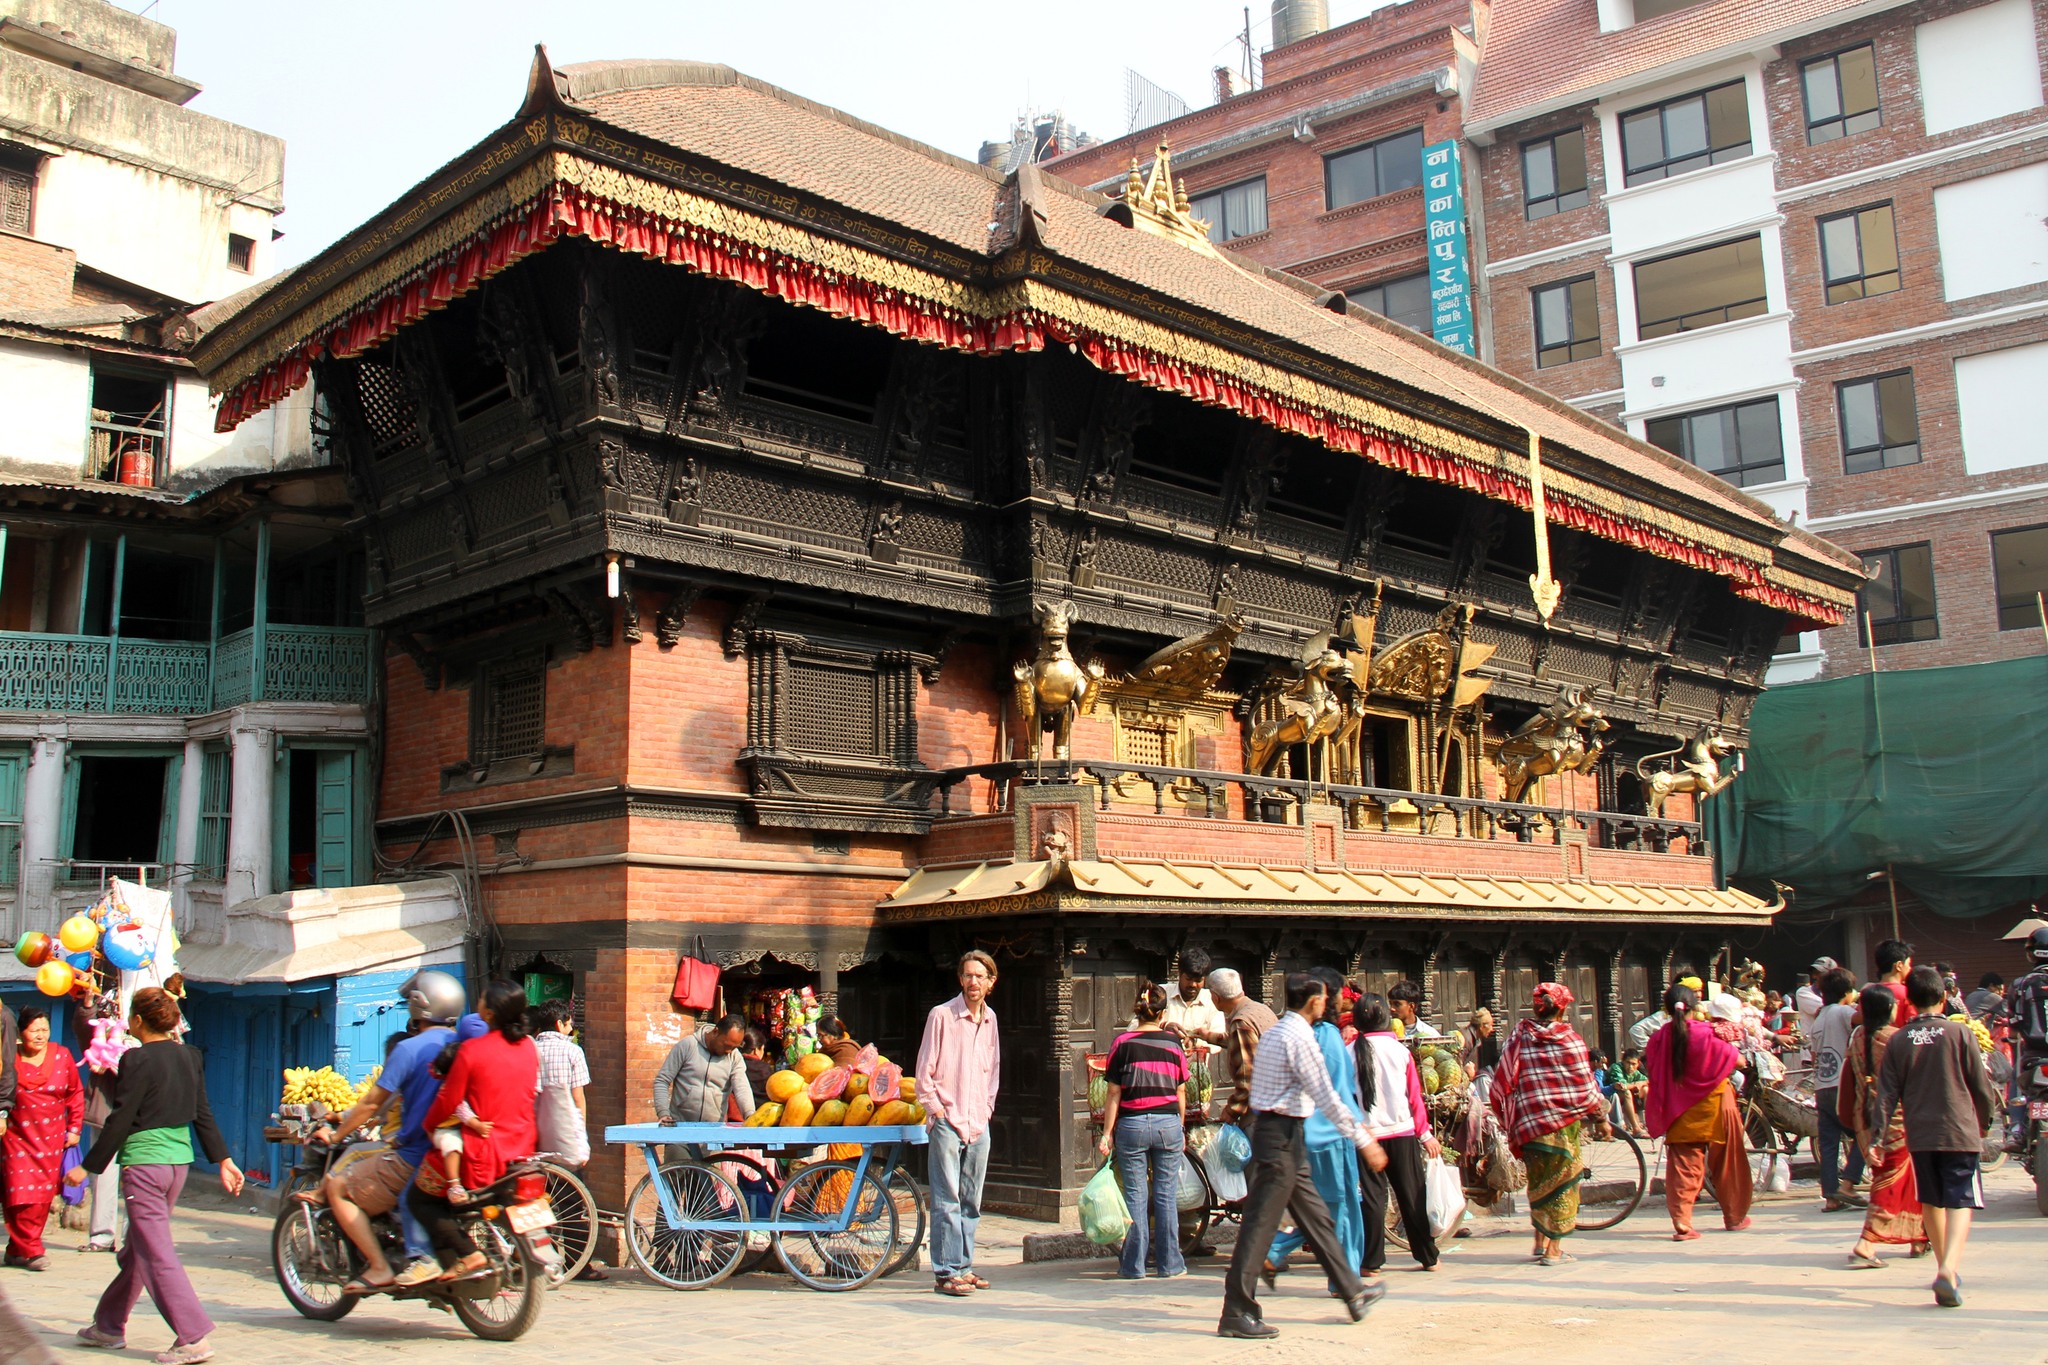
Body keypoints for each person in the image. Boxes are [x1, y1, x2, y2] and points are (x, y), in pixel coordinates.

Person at [68, 987, 241, 1365]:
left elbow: (121, 1119)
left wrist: (88, 1166)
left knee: (157, 1252)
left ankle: (192, 1336)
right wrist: (224, 1160)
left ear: (138, 1021)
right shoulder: (190, 1056)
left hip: (145, 1167)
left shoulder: (136, 1060)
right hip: (177, 1165)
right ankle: (109, 1326)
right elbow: (203, 1113)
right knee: (138, 1250)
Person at [1218, 973, 1386, 1341]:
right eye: (1324, 998)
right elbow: (1326, 1095)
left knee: (1319, 1218)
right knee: (1260, 1225)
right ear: (1313, 1001)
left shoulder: (1278, 1032)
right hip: (1281, 1136)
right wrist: (1364, 1140)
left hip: (1283, 1134)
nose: (1328, 1004)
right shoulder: (1299, 1038)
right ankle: (1236, 1310)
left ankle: (1352, 1291)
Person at [312, 969, 464, 1293]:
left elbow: (371, 1104)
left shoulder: (408, 1050)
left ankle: (380, 1267)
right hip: (459, 1152)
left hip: (414, 1155)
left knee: (338, 1187)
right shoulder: (465, 1043)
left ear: (419, 1006)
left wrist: (337, 1136)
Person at [1876, 964, 1998, 1308]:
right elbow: (1981, 1086)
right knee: (1961, 1200)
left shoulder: (1898, 1040)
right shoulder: (1960, 1035)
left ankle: (1946, 1268)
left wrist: (1876, 1139)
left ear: (1910, 1001)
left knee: (1931, 1200)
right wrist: (1985, 1121)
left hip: (1920, 1134)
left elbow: (1886, 1094)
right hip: (1958, 1130)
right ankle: (1947, 1268)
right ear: (1944, 999)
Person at [414, 979, 540, 1281]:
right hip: (522, 1146)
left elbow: (448, 1100)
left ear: (489, 1013)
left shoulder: (472, 1050)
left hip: (485, 1150)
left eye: (482, 999)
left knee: (419, 1199)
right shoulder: (528, 1048)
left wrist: (429, 1126)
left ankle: (467, 1253)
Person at [1260, 969, 1367, 1289]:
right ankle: (1346, 1279)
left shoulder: (1292, 1033)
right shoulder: (1328, 1036)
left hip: (1300, 1134)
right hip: (1332, 1137)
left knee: (1318, 1208)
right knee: (1342, 1209)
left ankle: (1274, 1251)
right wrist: (1361, 1135)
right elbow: (1335, 1091)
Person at [1489, 982, 1609, 1264]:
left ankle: (1538, 1241)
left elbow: (1503, 1077)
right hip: (1561, 1127)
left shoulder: (1520, 1035)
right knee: (1564, 1185)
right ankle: (1554, 1249)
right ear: (1563, 1008)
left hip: (1529, 1122)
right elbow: (1585, 1086)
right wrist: (1600, 1117)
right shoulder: (1571, 1041)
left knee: (1539, 1182)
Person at [917, 949, 1001, 1299]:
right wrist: (936, 1113)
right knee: (946, 1198)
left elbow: (993, 1068)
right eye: (967, 975)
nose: (973, 982)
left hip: (978, 1121)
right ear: (960, 979)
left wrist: (986, 1108)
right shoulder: (941, 1016)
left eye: (979, 976)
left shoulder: (990, 1019)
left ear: (991, 982)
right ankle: (946, 1270)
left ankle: (964, 1265)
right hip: (948, 1119)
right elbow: (925, 1073)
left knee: (971, 1199)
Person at [1645, 982, 1751, 1241]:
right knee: (1727, 1162)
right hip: (1716, 1104)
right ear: (1695, 1008)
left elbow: (1654, 1072)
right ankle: (1734, 1217)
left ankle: (1682, 1222)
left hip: (1680, 1109)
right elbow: (1737, 1060)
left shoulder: (1659, 1038)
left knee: (1684, 1165)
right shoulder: (1707, 1033)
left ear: (1667, 1010)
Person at [1096, 983, 1189, 1281]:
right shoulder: (1174, 1044)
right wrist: (1181, 1126)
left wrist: (1107, 1132)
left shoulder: (1122, 1043)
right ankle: (1170, 1264)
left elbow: (1113, 1093)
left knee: (1135, 1196)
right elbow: (1181, 1092)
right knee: (1165, 1195)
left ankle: (1133, 1266)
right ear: (1163, 1013)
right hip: (1167, 1125)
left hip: (1132, 1125)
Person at [1352, 990, 1439, 1274]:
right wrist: (1425, 1134)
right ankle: (1427, 1255)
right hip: (1402, 1132)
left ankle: (1372, 1261)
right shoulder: (1401, 1052)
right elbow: (1415, 1098)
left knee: (1373, 1199)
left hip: (1367, 1136)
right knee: (1412, 1194)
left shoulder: (1348, 1052)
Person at [1841, 983, 1927, 1267]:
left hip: (1865, 1120)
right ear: (1888, 1009)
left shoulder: (1857, 1039)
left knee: (1909, 1181)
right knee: (1890, 1184)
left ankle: (1919, 1237)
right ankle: (1866, 1243)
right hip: (1897, 1121)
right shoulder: (1897, 1039)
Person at [3, 1006, 82, 1270]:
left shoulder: (62, 1056)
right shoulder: (8, 1057)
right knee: (18, 1193)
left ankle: (17, 1250)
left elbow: (75, 1093)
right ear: (21, 1033)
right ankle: (34, 1250)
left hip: (51, 1138)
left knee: (41, 1197)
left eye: (44, 1030)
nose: (40, 1035)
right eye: (34, 1030)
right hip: (16, 1135)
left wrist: (75, 1128)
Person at [1808, 966, 1867, 1212]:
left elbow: (1813, 1054)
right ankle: (1850, 1182)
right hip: (1842, 1085)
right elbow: (1863, 1019)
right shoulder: (1844, 1012)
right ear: (1847, 992)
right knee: (1866, 1133)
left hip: (1822, 1086)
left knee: (1829, 1143)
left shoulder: (1818, 1018)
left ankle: (1831, 1196)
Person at [69, 1012, 119, 1252]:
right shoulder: (101, 1019)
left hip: (141, 1114)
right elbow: (83, 1030)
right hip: (106, 1110)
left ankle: (135, 1239)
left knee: (138, 1179)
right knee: (102, 1175)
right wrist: (88, 1005)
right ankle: (102, 1235)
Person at [652, 1014, 756, 1125]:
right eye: (726, 1045)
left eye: (734, 1047)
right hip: (680, 1128)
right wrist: (663, 1113)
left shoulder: (735, 1057)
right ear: (715, 1032)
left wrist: (750, 1114)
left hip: (714, 1131)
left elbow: (742, 1088)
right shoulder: (688, 1046)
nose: (729, 1051)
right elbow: (662, 1080)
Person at [1208, 968, 1277, 1127]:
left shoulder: (1242, 1023)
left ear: (1215, 997)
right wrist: (1207, 1036)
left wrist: (1232, 1110)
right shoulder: (1260, 1009)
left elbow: (1248, 1075)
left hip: (1259, 1110)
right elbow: (1240, 1042)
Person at [1160, 948, 1226, 1048]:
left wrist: (1196, 1043)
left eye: (1198, 980)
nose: (1193, 985)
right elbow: (1135, 1028)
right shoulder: (1161, 994)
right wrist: (1164, 1026)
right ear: (1179, 973)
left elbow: (1219, 1039)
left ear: (1204, 979)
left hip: (1197, 1062)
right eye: (1188, 979)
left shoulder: (1212, 1000)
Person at [1607, 1050, 1649, 1137]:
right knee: (1627, 1093)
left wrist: (1640, 1084)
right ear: (1623, 1061)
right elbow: (1622, 1086)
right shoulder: (1616, 1067)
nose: (1630, 1067)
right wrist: (1635, 1085)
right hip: (1610, 1095)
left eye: (1633, 1064)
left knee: (1646, 1089)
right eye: (1628, 1063)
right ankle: (1636, 1129)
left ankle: (1650, 1124)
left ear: (1638, 1064)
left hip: (1624, 1096)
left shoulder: (1635, 1072)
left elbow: (1647, 1080)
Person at [1460, 1007, 1499, 1084]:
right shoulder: (1467, 1039)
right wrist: (1465, 1070)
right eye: (1490, 1025)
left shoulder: (1473, 1038)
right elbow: (1455, 1064)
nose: (1492, 1029)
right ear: (1482, 1027)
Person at [1873, 938, 1914, 1012]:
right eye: (1909, 964)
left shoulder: (1867, 992)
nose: (1910, 968)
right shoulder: (1908, 993)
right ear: (1899, 966)